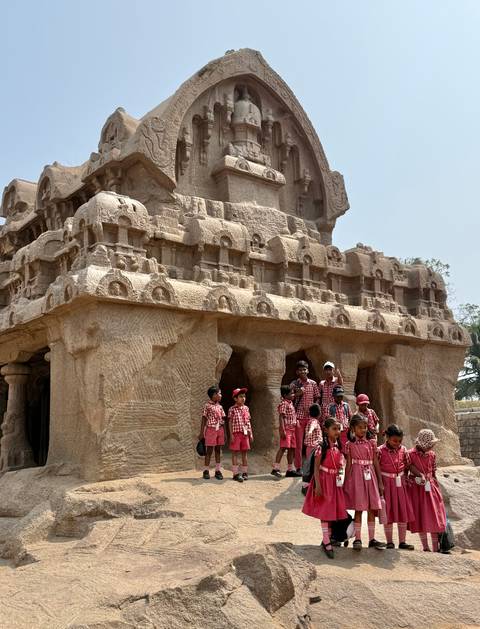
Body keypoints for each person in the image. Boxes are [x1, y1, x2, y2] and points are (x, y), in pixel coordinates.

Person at [302, 417, 347, 558]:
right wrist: (318, 486)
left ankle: (328, 537)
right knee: (325, 511)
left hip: (335, 482)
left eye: (338, 429)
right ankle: (326, 541)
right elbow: (316, 468)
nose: (337, 432)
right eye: (334, 429)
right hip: (324, 481)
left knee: (332, 510)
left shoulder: (338, 445)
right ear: (326, 430)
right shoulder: (322, 447)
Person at [343, 414, 385, 550]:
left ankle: (372, 539)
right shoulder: (349, 445)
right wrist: (346, 482)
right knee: (359, 509)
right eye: (360, 427)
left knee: (372, 508)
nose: (363, 430)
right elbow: (348, 464)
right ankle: (358, 539)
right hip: (357, 478)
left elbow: (376, 463)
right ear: (353, 428)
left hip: (370, 476)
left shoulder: (371, 443)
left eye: (365, 427)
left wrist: (380, 482)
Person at [377, 424, 416, 549]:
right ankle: (389, 542)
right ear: (387, 437)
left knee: (402, 511)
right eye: (394, 440)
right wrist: (379, 484)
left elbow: (408, 465)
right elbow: (375, 468)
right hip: (386, 484)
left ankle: (402, 542)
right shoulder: (380, 451)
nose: (397, 443)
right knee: (388, 512)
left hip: (400, 484)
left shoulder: (403, 450)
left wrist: (415, 476)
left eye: (399, 441)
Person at [407, 429, 447, 551]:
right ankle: (425, 547)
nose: (433, 446)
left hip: (430, 487)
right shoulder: (410, 454)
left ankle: (435, 547)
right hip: (417, 488)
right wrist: (419, 475)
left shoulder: (432, 455)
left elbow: (433, 471)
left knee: (434, 516)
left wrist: (436, 487)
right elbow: (409, 466)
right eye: (431, 444)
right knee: (420, 516)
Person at [290, 360, 320, 473]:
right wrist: (298, 394)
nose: (303, 371)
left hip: (310, 418)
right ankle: (298, 467)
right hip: (298, 417)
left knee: (311, 443)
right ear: (297, 372)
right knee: (298, 444)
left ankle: (310, 466)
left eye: (304, 369)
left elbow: (317, 397)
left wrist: (314, 409)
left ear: (307, 370)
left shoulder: (313, 383)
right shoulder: (294, 384)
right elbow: (288, 398)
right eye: (300, 370)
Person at [271, 385, 300, 478]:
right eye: (291, 393)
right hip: (287, 429)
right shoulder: (284, 403)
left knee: (291, 449)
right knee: (283, 448)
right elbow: (281, 417)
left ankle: (290, 469)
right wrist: (282, 429)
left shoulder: (290, 403)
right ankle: (275, 468)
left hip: (292, 429)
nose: (293, 395)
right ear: (285, 395)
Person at [198, 385, 226, 480]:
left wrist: (224, 433)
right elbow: (204, 419)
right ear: (214, 395)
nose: (221, 395)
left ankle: (217, 470)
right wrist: (202, 432)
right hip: (211, 429)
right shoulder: (207, 406)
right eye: (219, 393)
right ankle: (206, 470)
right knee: (209, 451)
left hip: (220, 430)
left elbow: (223, 419)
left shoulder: (220, 407)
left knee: (218, 450)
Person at [228, 387, 253, 483]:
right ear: (235, 399)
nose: (243, 398)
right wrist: (231, 435)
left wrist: (251, 433)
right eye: (241, 397)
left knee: (244, 452)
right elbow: (230, 422)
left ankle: (245, 472)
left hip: (245, 434)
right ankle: (235, 473)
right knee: (234, 452)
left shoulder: (246, 408)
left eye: (244, 396)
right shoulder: (232, 409)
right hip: (236, 433)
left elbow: (248, 422)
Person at [301, 403, 324, 493]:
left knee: (310, 467)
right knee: (314, 467)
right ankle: (308, 486)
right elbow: (312, 427)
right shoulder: (314, 422)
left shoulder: (310, 421)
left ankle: (307, 485)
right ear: (319, 413)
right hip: (314, 448)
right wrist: (310, 431)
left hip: (309, 448)